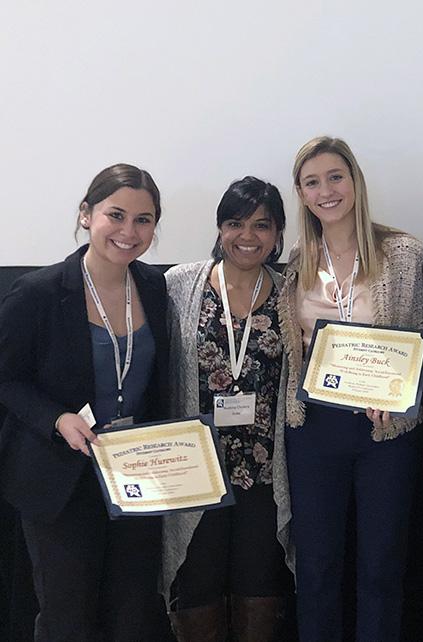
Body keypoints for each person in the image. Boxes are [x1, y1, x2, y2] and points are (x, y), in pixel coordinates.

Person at [0, 164, 172, 640]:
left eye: (144, 220)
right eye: (115, 215)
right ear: (85, 214)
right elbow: (7, 378)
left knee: (131, 613)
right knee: (67, 618)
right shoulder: (39, 292)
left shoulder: (155, 287)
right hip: (61, 480)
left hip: (135, 480)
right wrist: (57, 418)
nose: (128, 231)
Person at [279, 136, 423, 641]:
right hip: (313, 430)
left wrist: (399, 400)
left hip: (384, 433)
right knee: (318, 569)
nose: (326, 191)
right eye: (312, 182)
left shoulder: (403, 253)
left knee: (381, 569)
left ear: (355, 181)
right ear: (300, 193)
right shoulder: (296, 262)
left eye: (335, 177)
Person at [162, 176, 294, 640]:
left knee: (259, 583)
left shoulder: (291, 293)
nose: (248, 236)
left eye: (262, 225)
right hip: (196, 470)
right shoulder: (180, 284)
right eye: (235, 223)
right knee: (196, 583)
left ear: (278, 233)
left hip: (262, 470)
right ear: (220, 228)